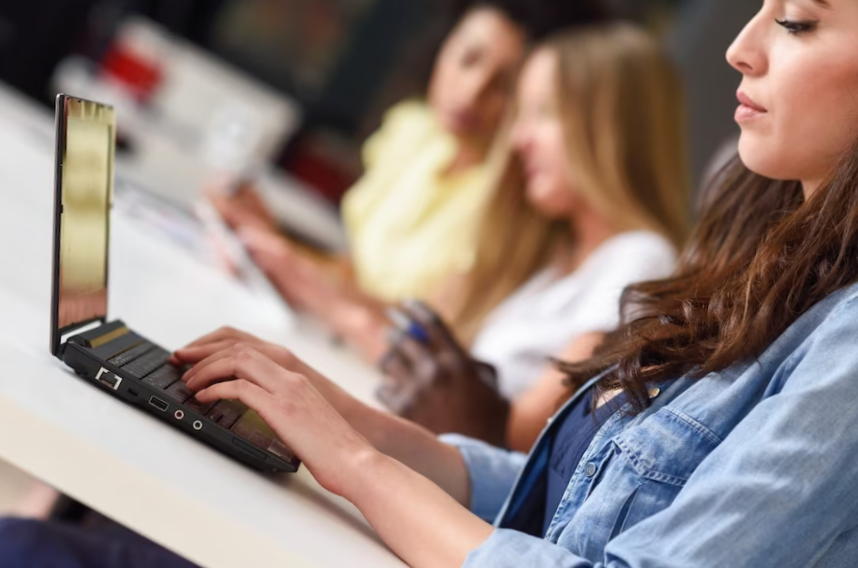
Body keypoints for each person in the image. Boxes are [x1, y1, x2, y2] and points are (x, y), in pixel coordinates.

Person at [7, 1, 858, 566]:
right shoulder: (772, 274)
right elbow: (547, 492)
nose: (739, 47)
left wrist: (349, 461)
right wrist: (338, 413)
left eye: (797, 21)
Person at [211, 0, 612, 353]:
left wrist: (290, 263)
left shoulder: (520, 208)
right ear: (443, 45)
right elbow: (359, 270)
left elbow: (433, 331)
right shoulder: (414, 130)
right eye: (468, 58)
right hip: (325, 343)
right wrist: (270, 239)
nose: (472, 92)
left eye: (506, 86)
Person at [377, 25, 689, 449]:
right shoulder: (556, 256)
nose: (519, 140)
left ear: (609, 128)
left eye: (543, 113)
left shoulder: (640, 256)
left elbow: (520, 431)